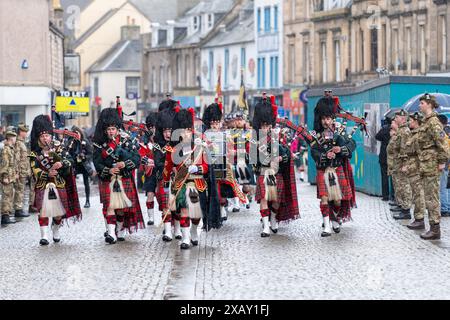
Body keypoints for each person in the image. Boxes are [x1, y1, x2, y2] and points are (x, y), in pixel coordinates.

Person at [162, 107, 221, 249]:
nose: (186, 133)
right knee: (184, 211)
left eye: (188, 130)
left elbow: (207, 166)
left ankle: (194, 230)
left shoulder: (200, 146)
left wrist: (198, 168)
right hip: (181, 182)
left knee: (196, 215)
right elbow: (167, 167)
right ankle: (186, 238)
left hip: (197, 182)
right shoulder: (174, 149)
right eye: (183, 131)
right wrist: (165, 185)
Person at [92, 108, 144, 244]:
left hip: (123, 177)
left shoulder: (126, 141)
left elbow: (137, 159)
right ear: (105, 129)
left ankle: (119, 231)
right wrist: (107, 170)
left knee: (120, 210)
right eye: (108, 129)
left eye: (113, 129)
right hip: (107, 179)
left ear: (117, 129)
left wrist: (124, 163)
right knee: (109, 206)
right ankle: (111, 234)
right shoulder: (98, 143)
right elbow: (96, 162)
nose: (111, 132)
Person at [29, 115, 82, 245]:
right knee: (43, 210)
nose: (44, 138)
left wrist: (62, 164)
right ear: (38, 138)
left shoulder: (59, 149)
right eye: (42, 136)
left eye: (47, 135)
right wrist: (47, 174)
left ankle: (55, 229)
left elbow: (70, 161)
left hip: (58, 183)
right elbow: (34, 169)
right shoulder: (34, 154)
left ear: (50, 136)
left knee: (58, 214)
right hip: (43, 184)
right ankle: (44, 236)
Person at [252, 94, 299, 237]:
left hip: (275, 173)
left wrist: (280, 157)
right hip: (263, 172)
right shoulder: (255, 141)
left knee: (276, 201)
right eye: (263, 126)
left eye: (268, 125)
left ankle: (273, 217)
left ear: (271, 125)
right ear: (259, 125)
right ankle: (266, 226)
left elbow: (287, 155)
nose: (265, 128)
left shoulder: (276, 140)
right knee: (264, 199)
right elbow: (252, 159)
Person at [415, 94, 450, 240]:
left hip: (432, 165)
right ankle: (432, 227)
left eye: (422, 103)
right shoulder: (426, 122)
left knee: (432, 197)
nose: (419, 105)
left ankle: (435, 229)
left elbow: (443, 144)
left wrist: (442, 162)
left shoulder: (434, 123)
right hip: (425, 165)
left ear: (429, 104)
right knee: (429, 196)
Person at [404, 112, 427, 230]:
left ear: (416, 121)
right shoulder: (413, 134)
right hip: (412, 168)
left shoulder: (419, 135)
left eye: (411, 120)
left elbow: (420, 153)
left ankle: (420, 219)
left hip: (417, 168)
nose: (409, 122)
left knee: (419, 194)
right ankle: (417, 218)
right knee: (416, 194)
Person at [390, 109, 413, 220]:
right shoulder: (401, 131)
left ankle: (406, 210)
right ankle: (402, 207)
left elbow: (405, 150)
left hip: (403, 163)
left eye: (397, 117)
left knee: (405, 186)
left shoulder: (405, 131)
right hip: (398, 163)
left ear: (403, 118)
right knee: (400, 186)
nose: (395, 119)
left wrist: (405, 164)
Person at [70, 126, 94, 208]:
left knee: (86, 183)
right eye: (74, 134)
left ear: (80, 133)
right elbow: (68, 154)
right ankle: (74, 202)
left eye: (77, 133)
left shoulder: (85, 141)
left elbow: (91, 154)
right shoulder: (71, 142)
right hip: (75, 164)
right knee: (72, 183)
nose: (76, 135)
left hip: (84, 165)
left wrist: (84, 156)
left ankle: (87, 201)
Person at [12, 124, 31, 218]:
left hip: (23, 170)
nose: (26, 133)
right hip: (20, 171)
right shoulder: (18, 143)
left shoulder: (22, 142)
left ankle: (19, 208)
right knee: (19, 190)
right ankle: (18, 209)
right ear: (21, 132)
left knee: (21, 190)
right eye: (25, 132)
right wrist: (17, 172)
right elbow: (16, 159)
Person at [1, 129, 18, 225]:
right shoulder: (6, 150)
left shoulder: (10, 149)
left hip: (11, 176)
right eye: (14, 138)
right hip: (7, 177)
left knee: (9, 195)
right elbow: (5, 165)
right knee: (6, 196)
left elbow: (12, 164)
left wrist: (15, 174)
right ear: (11, 138)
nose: (15, 140)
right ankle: (5, 216)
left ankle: (7, 214)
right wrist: (5, 176)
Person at [437, 114, 450, 217]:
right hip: (447, 164)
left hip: (444, 164)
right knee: (446, 187)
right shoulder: (447, 132)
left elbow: (445, 151)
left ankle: (445, 208)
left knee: (443, 188)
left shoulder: (442, 134)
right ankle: (447, 207)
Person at [375, 118, 392, 201]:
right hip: (392, 156)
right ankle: (393, 196)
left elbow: (377, 136)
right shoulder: (396, 129)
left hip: (384, 155)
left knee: (384, 176)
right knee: (393, 177)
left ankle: (385, 196)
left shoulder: (384, 128)